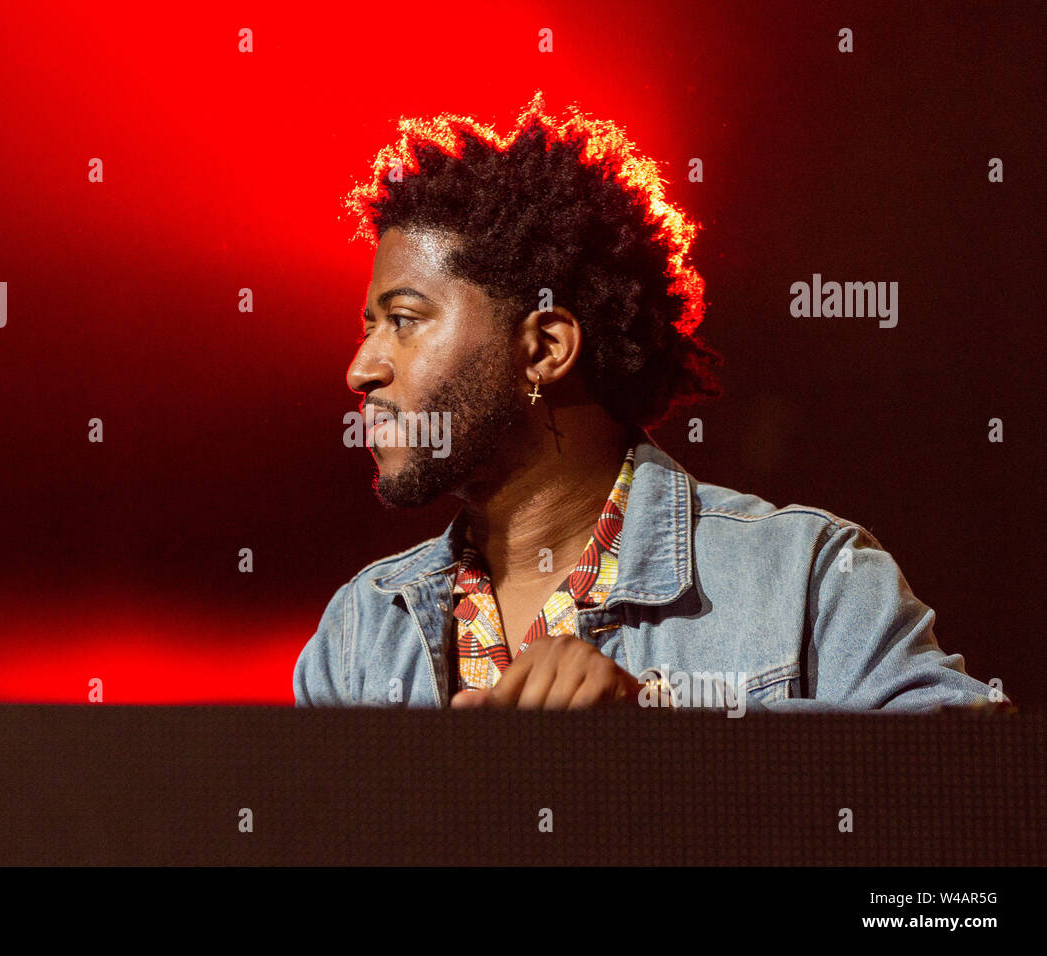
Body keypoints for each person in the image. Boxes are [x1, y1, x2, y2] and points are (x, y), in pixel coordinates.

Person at [294, 92, 1008, 713]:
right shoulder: (360, 628)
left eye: (404, 320)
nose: (361, 369)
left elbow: (979, 796)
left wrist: (663, 732)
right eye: (367, 328)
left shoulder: (809, 574)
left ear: (544, 348)